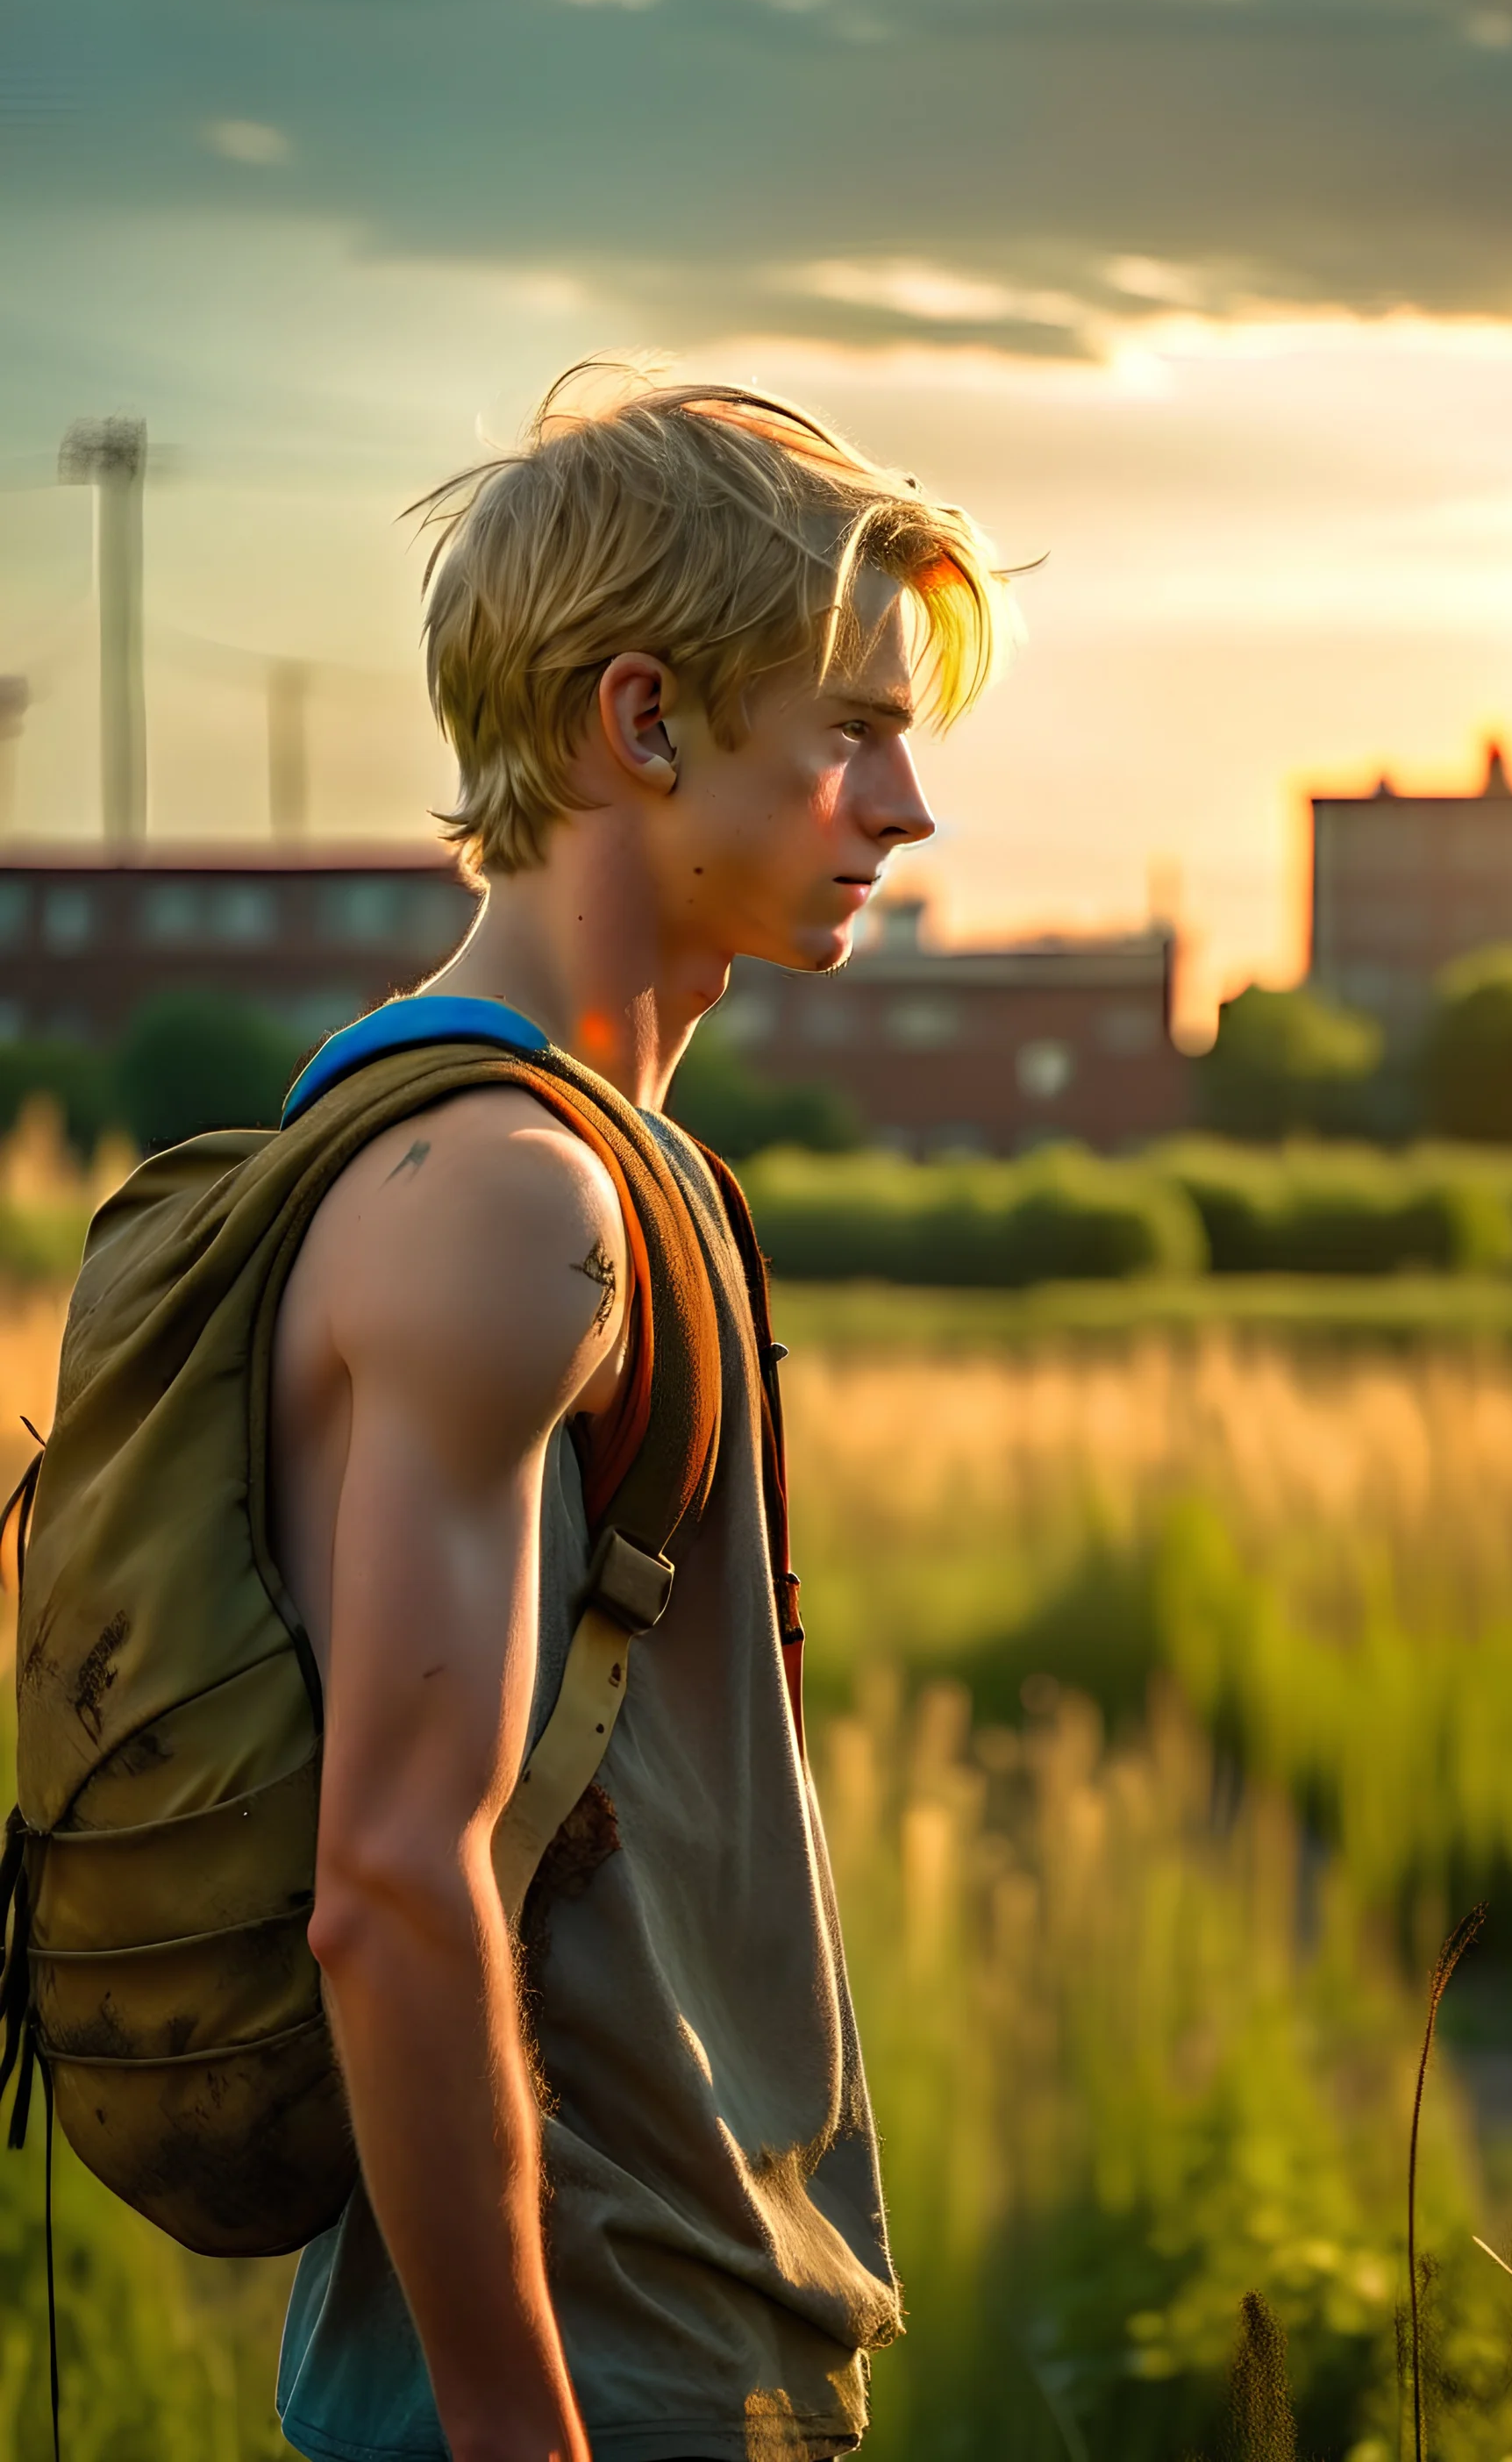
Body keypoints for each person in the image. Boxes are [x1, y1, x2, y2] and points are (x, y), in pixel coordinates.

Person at [268, 363, 1014, 2462]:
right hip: (563, 2384)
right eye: (855, 732)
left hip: (680, 2340)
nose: (904, 808)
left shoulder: (606, 1164)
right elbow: (393, 1881)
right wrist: (527, 2436)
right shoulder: (506, 1201)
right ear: (645, 720)